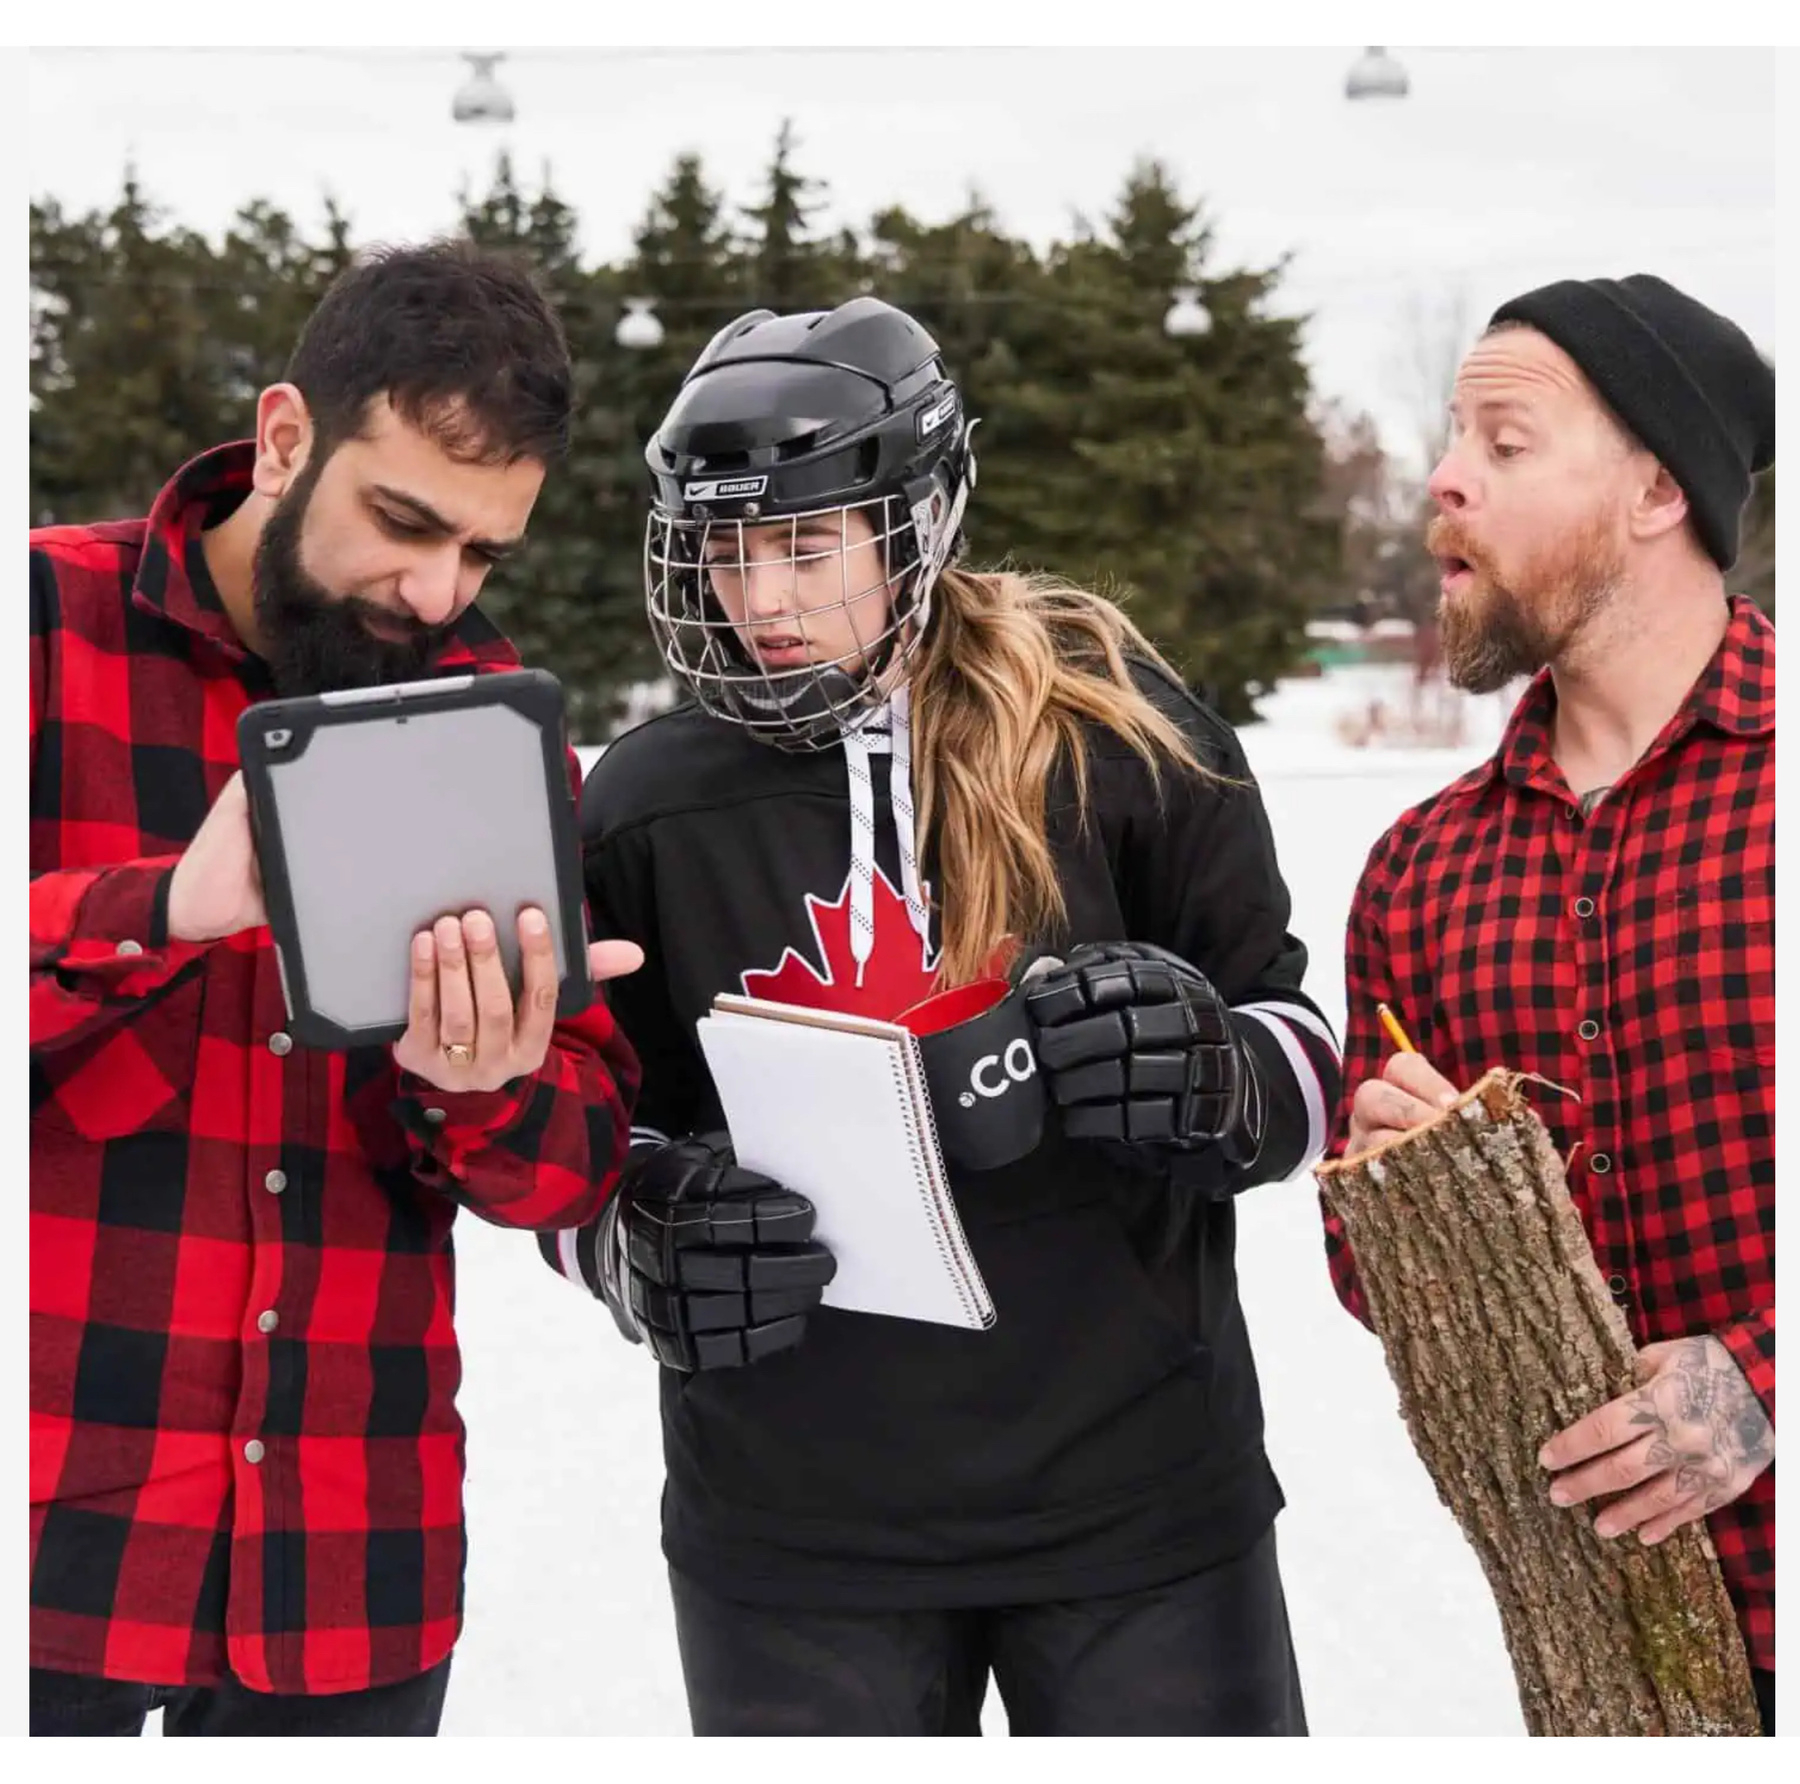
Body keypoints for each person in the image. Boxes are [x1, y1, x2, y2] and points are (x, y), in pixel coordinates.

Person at [541, 297, 1342, 1736]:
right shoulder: (643, 807)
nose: (761, 600)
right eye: (727, 551)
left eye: (806, 545)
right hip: (794, 1543)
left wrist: (1215, 1069)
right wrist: (629, 1230)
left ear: (918, 524)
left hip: (1139, 1513)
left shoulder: (1126, 740)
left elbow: (1306, 1052)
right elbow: (577, 1123)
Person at [30, 240, 642, 1737]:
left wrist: (488, 1079)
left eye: (482, 553)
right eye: (404, 522)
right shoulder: (37, 632)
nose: (435, 593)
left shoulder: (489, 740)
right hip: (50, 1546)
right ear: (288, 434)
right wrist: (162, 909)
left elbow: (572, 1173)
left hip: (346, 1580)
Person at [1322, 275, 1774, 1733]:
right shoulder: (1419, 875)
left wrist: (1767, 1377)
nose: (1445, 478)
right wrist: (1421, 1193)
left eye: (1505, 444)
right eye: (1453, 440)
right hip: (1617, 1671)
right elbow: (1362, 1262)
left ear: (1655, 489)